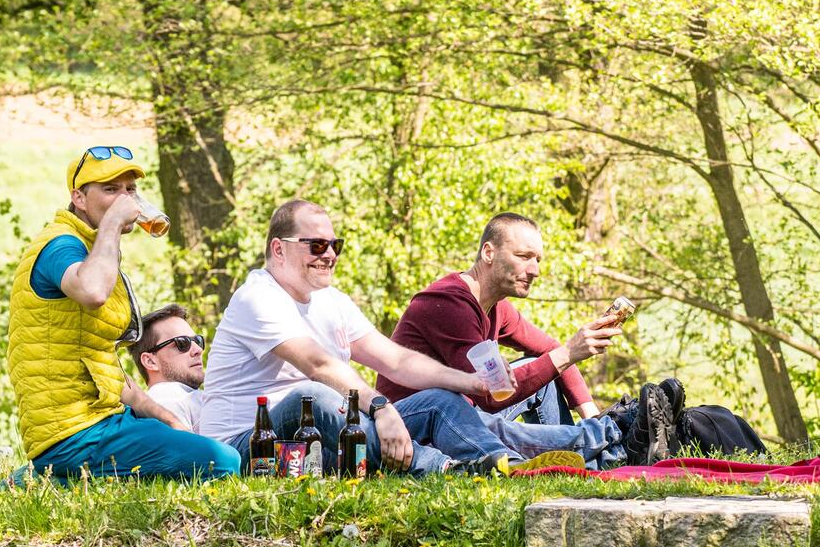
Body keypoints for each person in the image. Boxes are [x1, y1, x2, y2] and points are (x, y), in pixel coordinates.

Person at [196, 199, 653, 473]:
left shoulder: (330, 299)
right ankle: (452, 469)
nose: (329, 255)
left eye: (336, 245)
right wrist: (380, 408)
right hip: (251, 442)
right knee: (314, 395)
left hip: (334, 432)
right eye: (317, 246)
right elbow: (318, 366)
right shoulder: (257, 297)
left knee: (441, 400)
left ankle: (509, 465)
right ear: (279, 249)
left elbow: (395, 361)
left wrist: (469, 384)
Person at [6, 147, 240, 481]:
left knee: (205, 445)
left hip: (103, 420)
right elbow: (92, 292)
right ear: (79, 198)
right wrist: (113, 223)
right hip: (73, 433)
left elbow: (109, 372)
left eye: (130, 190)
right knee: (223, 461)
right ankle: (56, 477)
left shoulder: (93, 248)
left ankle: (44, 477)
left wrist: (167, 419)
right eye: (110, 189)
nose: (125, 199)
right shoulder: (59, 245)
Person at [380, 213, 673, 465]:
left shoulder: (495, 307)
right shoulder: (449, 304)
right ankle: (615, 436)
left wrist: (590, 411)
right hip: (414, 429)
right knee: (489, 412)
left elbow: (550, 350)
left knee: (538, 366)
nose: (534, 270)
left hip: (466, 414)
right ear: (488, 253)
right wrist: (569, 353)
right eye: (523, 257)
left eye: (537, 260)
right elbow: (494, 397)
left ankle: (591, 449)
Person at [129, 303, 206, 430]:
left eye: (197, 341)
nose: (198, 349)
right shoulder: (166, 399)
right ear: (150, 361)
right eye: (182, 343)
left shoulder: (183, 397)